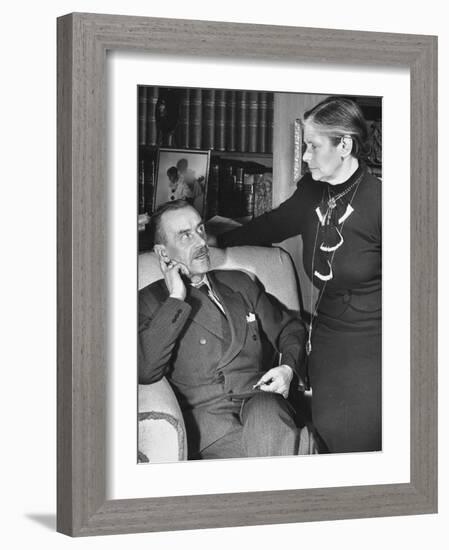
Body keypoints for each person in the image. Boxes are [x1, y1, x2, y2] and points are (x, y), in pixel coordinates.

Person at [216, 97, 381, 454]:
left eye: (313, 146)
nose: (305, 156)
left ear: (345, 145)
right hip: (327, 343)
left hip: (377, 347)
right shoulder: (311, 192)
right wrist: (212, 241)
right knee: (328, 443)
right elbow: (271, 225)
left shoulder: (386, 202)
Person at [139, 200, 311, 460]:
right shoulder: (150, 301)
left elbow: (289, 328)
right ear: (163, 254)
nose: (200, 242)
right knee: (291, 453)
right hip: (210, 425)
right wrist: (176, 296)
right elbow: (146, 369)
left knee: (270, 420)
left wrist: (288, 369)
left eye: (199, 230)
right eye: (185, 236)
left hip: (262, 400)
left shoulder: (239, 283)